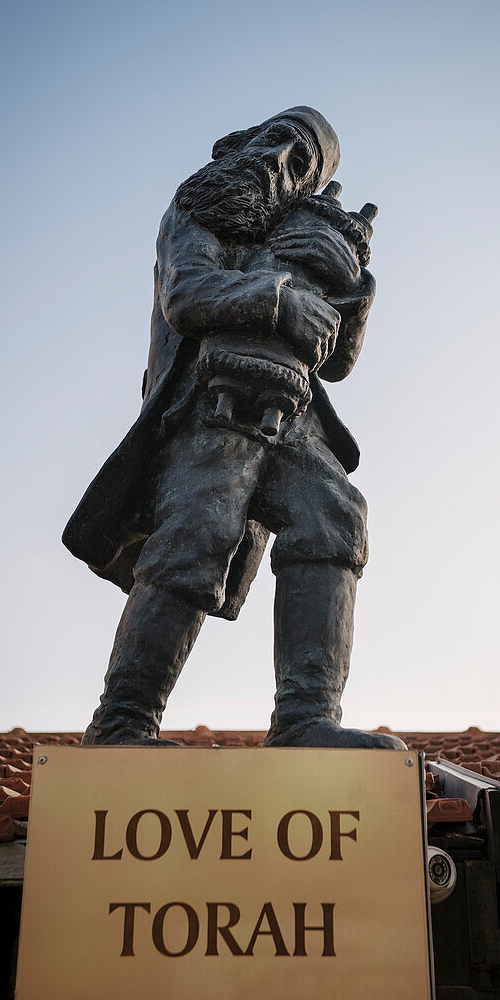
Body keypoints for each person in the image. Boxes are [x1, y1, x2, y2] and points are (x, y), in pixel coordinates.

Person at [63, 106, 405, 751]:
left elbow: (338, 360)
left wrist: (351, 284)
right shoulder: (202, 208)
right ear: (239, 144)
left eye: (302, 162)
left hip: (295, 407)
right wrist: (280, 300)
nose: (281, 159)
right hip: (205, 401)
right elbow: (187, 295)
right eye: (276, 140)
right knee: (197, 533)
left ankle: (306, 719)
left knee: (335, 517)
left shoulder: (315, 233)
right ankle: (123, 724)